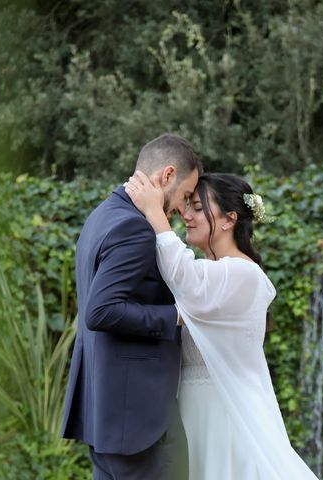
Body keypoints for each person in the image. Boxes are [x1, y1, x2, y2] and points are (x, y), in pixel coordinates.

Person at [124, 171, 320, 480]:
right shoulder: (214, 273)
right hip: (192, 412)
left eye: (198, 209)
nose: (186, 215)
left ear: (229, 219)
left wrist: (153, 212)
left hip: (227, 416)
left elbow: (186, 279)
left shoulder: (244, 275)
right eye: (187, 206)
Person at [60, 133, 202, 480]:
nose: (182, 210)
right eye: (185, 196)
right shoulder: (135, 229)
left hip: (107, 418)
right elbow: (101, 311)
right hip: (139, 423)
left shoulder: (102, 216)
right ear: (167, 175)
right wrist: (176, 317)